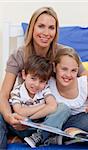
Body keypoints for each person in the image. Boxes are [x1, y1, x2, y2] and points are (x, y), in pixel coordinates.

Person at [0, 6, 88, 148]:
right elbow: (4, 94)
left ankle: (44, 136)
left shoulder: (66, 53)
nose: (46, 33)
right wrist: (9, 117)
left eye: (51, 27)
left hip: (57, 119)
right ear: (32, 28)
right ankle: (39, 136)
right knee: (1, 115)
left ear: (56, 31)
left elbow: (84, 78)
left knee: (72, 114)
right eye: (41, 26)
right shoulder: (19, 55)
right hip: (25, 120)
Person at [9, 54, 70, 147]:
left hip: (43, 126)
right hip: (24, 127)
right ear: (24, 74)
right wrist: (44, 106)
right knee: (11, 116)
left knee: (64, 108)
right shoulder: (16, 92)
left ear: (46, 81)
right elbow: (20, 111)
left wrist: (31, 118)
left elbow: (53, 106)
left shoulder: (44, 89)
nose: (37, 84)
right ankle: (47, 138)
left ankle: (40, 136)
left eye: (42, 81)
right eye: (33, 78)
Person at [48, 47, 88, 133]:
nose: (68, 75)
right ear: (55, 67)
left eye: (73, 70)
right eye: (64, 69)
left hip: (79, 122)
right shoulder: (48, 84)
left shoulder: (84, 83)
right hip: (53, 122)